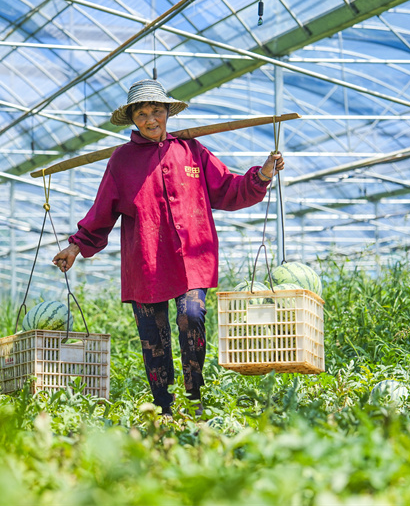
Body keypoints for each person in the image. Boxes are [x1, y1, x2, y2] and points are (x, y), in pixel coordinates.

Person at [53, 79, 284, 416]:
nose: (150, 120)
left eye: (156, 111)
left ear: (167, 113)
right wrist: (76, 247)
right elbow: (102, 210)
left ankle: (194, 397)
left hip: (192, 256)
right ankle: (164, 409)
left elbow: (227, 189)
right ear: (133, 120)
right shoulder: (121, 160)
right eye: (142, 114)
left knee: (192, 316)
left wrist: (261, 174)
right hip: (145, 261)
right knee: (154, 338)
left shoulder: (191, 151)